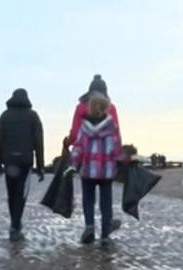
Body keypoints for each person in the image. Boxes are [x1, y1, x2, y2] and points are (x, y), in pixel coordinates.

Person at [63, 74, 121, 234]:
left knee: (88, 197)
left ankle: (89, 226)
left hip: (87, 164)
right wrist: (119, 157)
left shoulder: (80, 107)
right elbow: (116, 136)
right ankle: (105, 233)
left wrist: (69, 146)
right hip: (106, 167)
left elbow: (75, 134)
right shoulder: (111, 108)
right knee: (106, 199)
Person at [0, 88, 44, 242]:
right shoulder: (33, 116)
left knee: (12, 193)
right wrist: (40, 167)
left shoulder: (5, 116)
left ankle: (15, 224)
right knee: (21, 194)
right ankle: (15, 226)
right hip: (25, 162)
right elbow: (39, 142)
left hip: (9, 162)